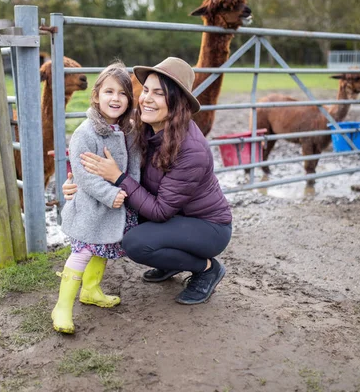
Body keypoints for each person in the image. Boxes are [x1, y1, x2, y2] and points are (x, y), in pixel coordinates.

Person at [63, 57, 232, 305]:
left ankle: (206, 268)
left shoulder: (191, 150)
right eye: (146, 90)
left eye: (159, 94)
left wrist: (117, 177)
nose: (146, 99)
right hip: (173, 216)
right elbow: (103, 161)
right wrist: (80, 187)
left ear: (177, 102)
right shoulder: (142, 125)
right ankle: (170, 261)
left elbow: (160, 210)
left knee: (137, 242)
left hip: (206, 226)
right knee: (128, 224)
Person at [53, 61, 141, 334]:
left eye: (122, 93)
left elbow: (134, 166)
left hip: (118, 205)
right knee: (83, 252)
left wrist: (132, 192)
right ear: (96, 96)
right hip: (92, 206)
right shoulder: (85, 133)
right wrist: (110, 193)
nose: (116, 98)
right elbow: (83, 175)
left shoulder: (129, 131)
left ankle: (90, 290)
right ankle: (62, 307)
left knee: (104, 247)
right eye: (109, 92)